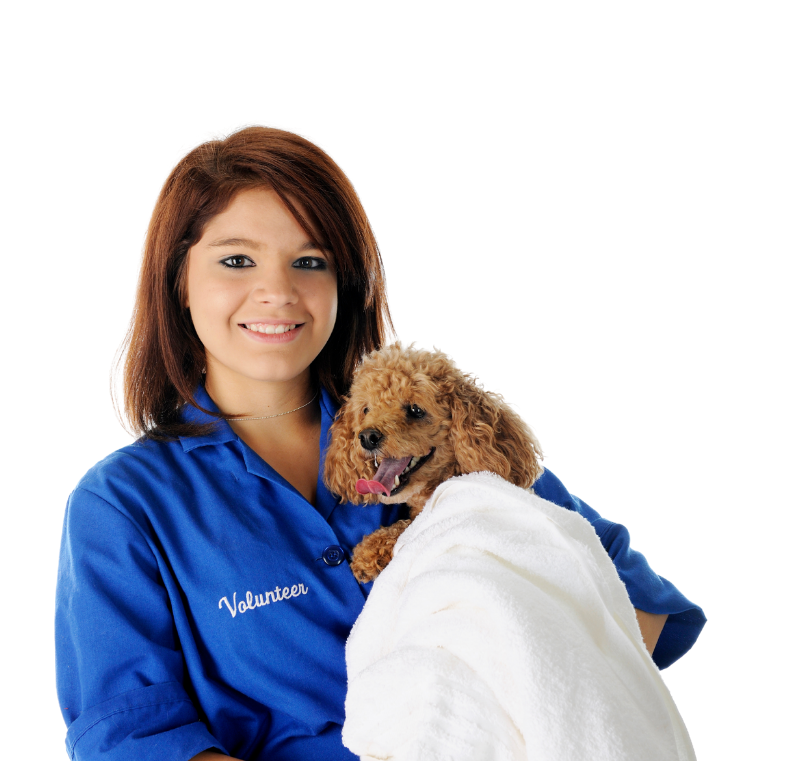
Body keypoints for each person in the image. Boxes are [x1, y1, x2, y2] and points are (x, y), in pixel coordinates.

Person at [55, 122, 705, 761]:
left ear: (346, 284)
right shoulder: (125, 506)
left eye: (310, 261)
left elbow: (627, 606)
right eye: (236, 259)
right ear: (178, 280)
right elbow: (132, 737)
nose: (277, 291)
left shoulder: (448, 433)